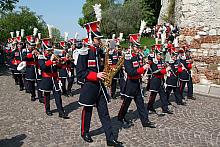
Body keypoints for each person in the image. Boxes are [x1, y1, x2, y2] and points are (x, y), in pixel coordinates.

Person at [76, 21, 123, 146]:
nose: (100, 41)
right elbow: (80, 73)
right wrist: (95, 75)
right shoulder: (85, 52)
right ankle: (84, 132)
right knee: (88, 111)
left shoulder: (99, 52)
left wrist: (111, 69)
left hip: (100, 88)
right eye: (98, 39)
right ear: (92, 38)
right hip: (90, 87)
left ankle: (110, 138)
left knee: (104, 113)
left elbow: (104, 65)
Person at [118, 34, 155, 128]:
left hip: (138, 83)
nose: (138, 48)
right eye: (136, 46)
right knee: (126, 103)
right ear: (132, 46)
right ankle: (120, 117)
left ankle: (145, 121)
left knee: (141, 104)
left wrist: (145, 67)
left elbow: (139, 69)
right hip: (131, 84)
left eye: (139, 46)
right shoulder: (128, 57)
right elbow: (130, 72)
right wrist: (142, 69)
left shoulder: (139, 57)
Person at [38, 39, 69, 119]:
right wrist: (51, 60)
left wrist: (59, 62)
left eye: (51, 50)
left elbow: (59, 67)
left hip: (55, 78)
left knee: (58, 95)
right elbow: (43, 67)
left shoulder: (55, 56)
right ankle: (47, 109)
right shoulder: (41, 57)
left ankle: (61, 112)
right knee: (47, 95)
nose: (50, 51)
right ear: (45, 50)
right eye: (48, 50)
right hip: (47, 78)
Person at [147, 44, 173, 114]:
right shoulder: (153, 60)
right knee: (153, 95)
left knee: (163, 95)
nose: (161, 55)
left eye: (161, 54)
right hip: (155, 79)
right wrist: (166, 70)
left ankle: (165, 108)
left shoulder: (161, 60)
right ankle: (149, 107)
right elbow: (156, 71)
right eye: (159, 54)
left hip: (161, 80)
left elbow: (162, 68)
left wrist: (166, 66)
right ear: (156, 54)